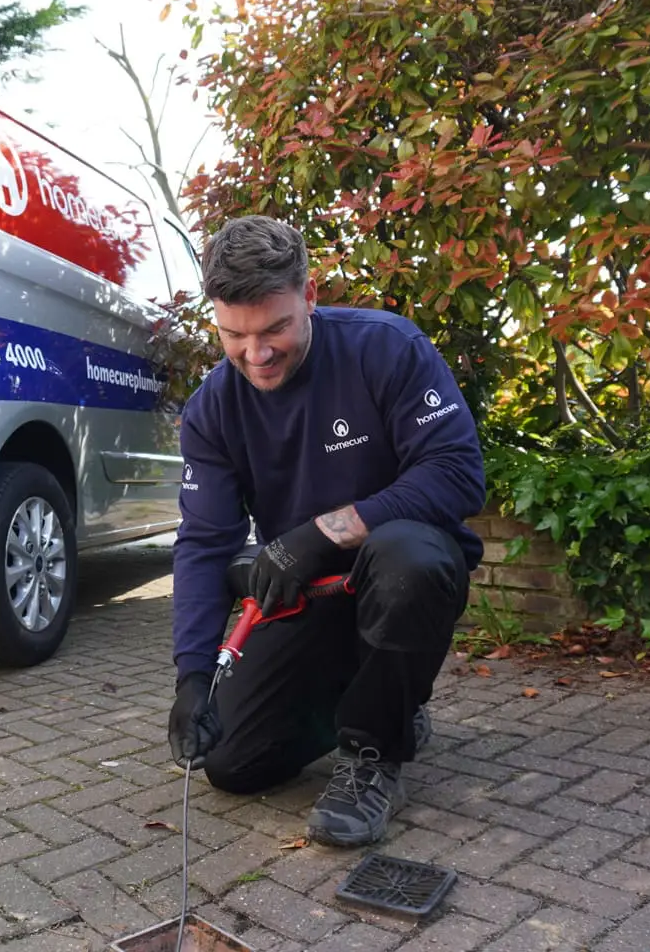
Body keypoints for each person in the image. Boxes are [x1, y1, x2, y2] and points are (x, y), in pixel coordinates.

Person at [165, 215, 487, 848]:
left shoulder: (385, 348)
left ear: (309, 296)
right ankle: (379, 705)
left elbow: (457, 473)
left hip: (396, 572)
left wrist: (322, 532)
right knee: (233, 764)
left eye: (275, 328)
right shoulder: (212, 409)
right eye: (234, 334)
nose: (255, 356)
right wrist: (193, 675)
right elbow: (205, 544)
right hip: (307, 592)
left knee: (408, 558)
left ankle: (374, 753)